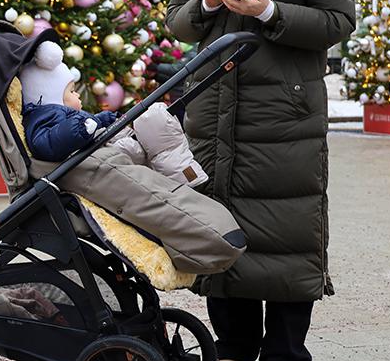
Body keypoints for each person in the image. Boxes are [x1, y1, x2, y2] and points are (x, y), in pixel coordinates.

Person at [166, 0, 356, 361]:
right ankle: (233, 351)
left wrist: (267, 12)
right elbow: (176, 19)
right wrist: (207, 6)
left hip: (284, 116)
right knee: (221, 233)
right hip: (213, 114)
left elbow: (337, 21)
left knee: (288, 233)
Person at [18, 40, 244, 275]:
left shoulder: (60, 115)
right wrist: (86, 125)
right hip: (93, 163)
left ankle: (182, 174)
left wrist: (103, 120)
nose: (79, 97)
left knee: (152, 121)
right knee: (152, 123)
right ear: (51, 95)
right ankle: (183, 176)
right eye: (73, 92)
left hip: (101, 153)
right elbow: (47, 144)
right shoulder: (45, 115)